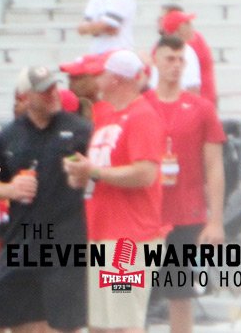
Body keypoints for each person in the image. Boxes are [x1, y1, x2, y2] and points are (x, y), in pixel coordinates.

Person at [0, 66, 92, 332]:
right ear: (25, 97)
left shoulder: (80, 130)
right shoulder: (9, 135)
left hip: (65, 241)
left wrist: (86, 173)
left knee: (65, 325)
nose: (52, 94)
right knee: (22, 323)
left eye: (54, 87)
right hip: (22, 240)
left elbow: (99, 175)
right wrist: (11, 189)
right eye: (44, 91)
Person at [64, 50, 165, 333]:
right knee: (101, 324)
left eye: (102, 72)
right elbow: (103, 171)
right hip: (103, 230)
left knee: (124, 323)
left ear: (117, 79)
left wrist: (94, 172)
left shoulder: (142, 115)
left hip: (130, 236)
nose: (96, 78)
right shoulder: (107, 115)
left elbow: (145, 172)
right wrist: (81, 174)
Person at [144, 36, 226, 333]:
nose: (176, 66)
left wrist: (215, 220)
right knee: (131, 291)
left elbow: (214, 166)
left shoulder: (201, 108)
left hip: (185, 214)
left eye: (181, 60)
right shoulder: (142, 105)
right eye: (169, 59)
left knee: (179, 294)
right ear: (155, 60)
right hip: (145, 216)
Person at [160, 8, 217, 106]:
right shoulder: (184, 51)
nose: (191, 27)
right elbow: (192, 88)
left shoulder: (196, 41)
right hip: (188, 104)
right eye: (187, 24)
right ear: (177, 30)